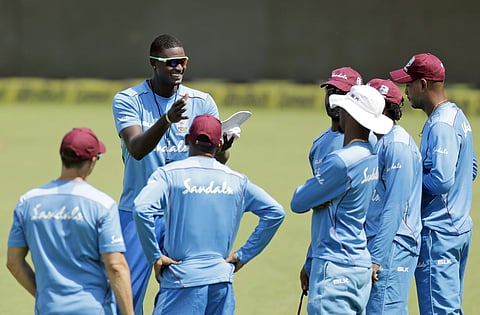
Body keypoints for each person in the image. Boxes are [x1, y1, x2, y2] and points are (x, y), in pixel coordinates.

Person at [112, 34, 234, 314]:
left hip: (185, 215)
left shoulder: (202, 102)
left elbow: (218, 161)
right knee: (125, 296)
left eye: (183, 62)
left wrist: (222, 148)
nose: (179, 67)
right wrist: (167, 120)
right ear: (154, 64)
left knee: (183, 294)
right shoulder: (128, 100)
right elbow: (137, 149)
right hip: (137, 211)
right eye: (171, 62)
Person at [133, 114, 285, 314]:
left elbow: (141, 208)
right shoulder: (238, 181)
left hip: (182, 280)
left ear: (187, 139)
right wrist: (243, 255)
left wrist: (155, 256)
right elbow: (275, 213)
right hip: (221, 282)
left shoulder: (168, 175)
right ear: (220, 143)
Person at [6, 128, 134, 315]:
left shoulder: (28, 202)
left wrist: (45, 296)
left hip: (49, 309)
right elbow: (115, 266)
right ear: (91, 162)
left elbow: (13, 262)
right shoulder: (102, 205)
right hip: (93, 308)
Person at [291, 84, 393, 315]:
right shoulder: (372, 154)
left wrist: (318, 198)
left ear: (349, 114)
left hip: (336, 268)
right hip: (359, 265)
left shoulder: (340, 161)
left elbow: (298, 201)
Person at [390, 53, 477, 315]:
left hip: (439, 233)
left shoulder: (440, 125)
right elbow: (471, 168)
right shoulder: (456, 116)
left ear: (424, 85)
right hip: (458, 227)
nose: (406, 90)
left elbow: (441, 180)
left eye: (409, 83)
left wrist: (410, 181)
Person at [300, 66, 364, 294]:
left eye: (341, 93)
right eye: (330, 91)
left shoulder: (367, 145)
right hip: (324, 255)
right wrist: (310, 260)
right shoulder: (319, 144)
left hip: (353, 259)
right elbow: (320, 211)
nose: (333, 99)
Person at [365, 78, 422, 314]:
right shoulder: (378, 140)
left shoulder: (397, 145)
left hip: (393, 245)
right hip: (381, 242)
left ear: (384, 108)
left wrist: (376, 257)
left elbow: (395, 206)